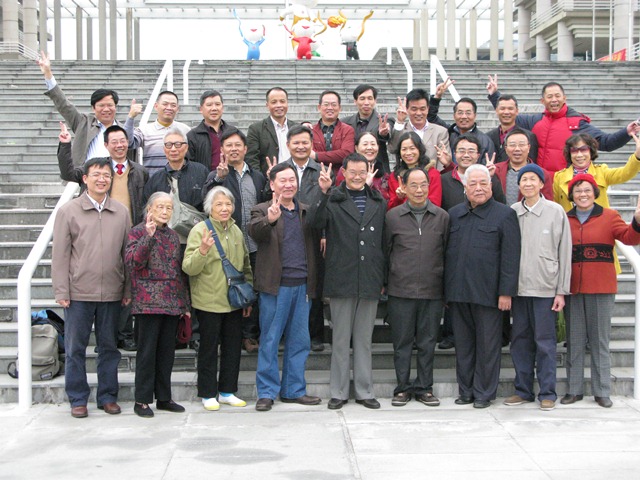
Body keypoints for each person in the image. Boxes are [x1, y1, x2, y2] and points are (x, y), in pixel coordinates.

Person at [58, 123, 148, 352]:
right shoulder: (97, 168)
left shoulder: (140, 171)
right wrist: (65, 145)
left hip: (129, 228)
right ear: (106, 145)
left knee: (124, 281)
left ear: (129, 143)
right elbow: (69, 173)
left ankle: (124, 334)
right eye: (114, 141)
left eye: (123, 141)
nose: (119, 145)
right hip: (98, 225)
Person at [52, 157, 131, 418]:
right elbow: (60, 255)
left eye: (106, 175)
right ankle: (77, 398)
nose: (102, 179)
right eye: (96, 174)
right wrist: (61, 290)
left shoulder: (121, 212)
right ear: (85, 179)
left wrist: (127, 289)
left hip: (112, 291)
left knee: (109, 348)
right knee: (75, 348)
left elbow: (126, 254)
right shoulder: (68, 211)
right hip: (78, 293)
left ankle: (108, 396)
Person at [307, 154, 386, 410]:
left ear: (368, 172)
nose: (357, 177)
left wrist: (382, 276)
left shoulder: (378, 200)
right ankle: (339, 392)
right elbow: (314, 222)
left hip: (369, 277)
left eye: (362, 172)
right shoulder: (333, 198)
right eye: (352, 172)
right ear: (344, 173)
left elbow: (383, 242)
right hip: (342, 277)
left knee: (364, 340)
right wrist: (322, 192)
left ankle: (364, 391)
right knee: (340, 339)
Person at [445, 164, 520, 408]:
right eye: (473, 184)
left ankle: (484, 393)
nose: (478, 188)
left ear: (491, 185)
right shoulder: (454, 214)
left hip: (489, 295)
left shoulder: (504, 214)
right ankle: (466, 391)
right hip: (459, 293)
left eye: (483, 183)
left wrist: (506, 292)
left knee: (488, 347)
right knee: (463, 345)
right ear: (464, 187)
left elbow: (510, 257)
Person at [561, 173, 640, 409]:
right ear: (571, 195)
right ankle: (574, 389)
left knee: (599, 341)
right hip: (573, 288)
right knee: (574, 341)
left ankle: (602, 390)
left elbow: (629, 237)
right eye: (577, 191)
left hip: (601, 287)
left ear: (595, 193)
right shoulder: (565, 218)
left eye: (587, 190)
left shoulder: (610, 216)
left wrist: (637, 221)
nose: (582, 194)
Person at [249, 162, 322, 412]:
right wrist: (269, 220)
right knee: (270, 340)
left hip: (303, 286)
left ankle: (294, 389)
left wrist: (324, 192)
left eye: (292, 180)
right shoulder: (261, 210)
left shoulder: (306, 211)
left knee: (299, 341)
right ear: (272, 184)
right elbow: (255, 232)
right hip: (274, 287)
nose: (288, 184)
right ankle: (267, 392)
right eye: (283, 180)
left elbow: (323, 223)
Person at [504, 164, 571, 411]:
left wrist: (561, 290)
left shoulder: (555, 211)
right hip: (519, 290)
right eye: (524, 180)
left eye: (533, 179)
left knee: (545, 343)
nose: (528, 184)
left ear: (542, 184)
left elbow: (564, 252)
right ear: (519, 185)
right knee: (520, 342)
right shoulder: (512, 212)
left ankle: (547, 392)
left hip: (545, 289)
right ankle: (523, 390)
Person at [182, 186, 253, 411]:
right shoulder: (200, 230)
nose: (224, 208)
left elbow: (245, 266)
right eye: (219, 204)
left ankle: (227, 391)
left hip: (234, 301)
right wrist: (203, 250)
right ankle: (207, 393)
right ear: (209, 208)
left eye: (228, 204)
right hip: (208, 301)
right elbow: (188, 267)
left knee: (233, 348)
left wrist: (248, 296)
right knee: (209, 349)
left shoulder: (236, 231)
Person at [385, 167, 449, 407]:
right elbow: (385, 250)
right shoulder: (393, 217)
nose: (419, 190)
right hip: (400, 289)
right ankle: (402, 387)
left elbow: (446, 251)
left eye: (423, 185)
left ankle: (424, 387)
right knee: (401, 343)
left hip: (432, 290)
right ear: (404, 187)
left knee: (427, 342)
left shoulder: (442, 217)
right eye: (413, 185)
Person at [202, 128, 268, 353]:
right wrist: (218, 179)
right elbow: (205, 202)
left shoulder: (257, 176)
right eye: (228, 145)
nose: (233, 149)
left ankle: (249, 335)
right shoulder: (216, 174)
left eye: (237, 145)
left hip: (255, 243)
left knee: (253, 289)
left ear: (245, 149)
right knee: (227, 287)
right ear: (222, 150)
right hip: (226, 244)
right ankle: (227, 335)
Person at [126, 192, 190, 417]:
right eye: (160, 207)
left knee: (166, 354)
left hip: (171, 302)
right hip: (147, 303)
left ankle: (164, 397)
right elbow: (134, 262)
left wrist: (184, 305)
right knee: (146, 354)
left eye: (168, 208)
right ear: (150, 209)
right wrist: (148, 236)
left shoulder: (173, 236)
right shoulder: (137, 231)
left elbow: (178, 271)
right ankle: (142, 400)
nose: (164, 211)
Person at [487, 77, 640, 172]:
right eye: (549, 97)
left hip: (564, 184)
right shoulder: (534, 121)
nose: (554, 100)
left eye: (557, 96)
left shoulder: (576, 123)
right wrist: (495, 96)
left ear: (564, 98)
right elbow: (508, 114)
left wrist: (626, 132)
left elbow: (606, 142)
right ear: (543, 101)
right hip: (538, 183)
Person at [38, 51, 136, 166]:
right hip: (86, 175)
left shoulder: (123, 130)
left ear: (115, 107)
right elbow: (64, 104)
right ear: (93, 108)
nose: (106, 109)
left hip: (115, 175)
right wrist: (48, 73)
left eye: (110, 105)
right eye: (101, 106)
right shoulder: (83, 123)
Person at [283, 125, 329, 352]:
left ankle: (315, 334)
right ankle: (287, 334)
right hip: (286, 233)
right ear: (288, 145)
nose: (301, 146)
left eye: (305, 143)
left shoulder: (321, 170)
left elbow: (328, 204)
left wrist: (324, 234)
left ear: (312, 145)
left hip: (314, 234)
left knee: (314, 284)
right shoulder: (282, 170)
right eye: (296, 142)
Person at [143, 128, 209, 234]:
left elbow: (209, 205)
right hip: (163, 237)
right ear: (164, 149)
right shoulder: (156, 179)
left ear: (186, 147)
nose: (173, 149)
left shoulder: (201, 172)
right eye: (169, 145)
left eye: (178, 144)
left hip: (195, 235)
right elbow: (147, 209)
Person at [553, 133, 640, 211]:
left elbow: (625, 173)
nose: (579, 155)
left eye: (583, 149)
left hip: (599, 222)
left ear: (591, 151)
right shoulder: (559, 177)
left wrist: (637, 156)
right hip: (570, 222)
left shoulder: (601, 171)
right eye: (574, 151)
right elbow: (555, 206)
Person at [127, 90, 192, 176]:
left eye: (173, 105)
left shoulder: (185, 130)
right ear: (156, 106)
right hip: (153, 180)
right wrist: (131, 117)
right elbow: (128, 143)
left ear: (177, 109)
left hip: (180, 179)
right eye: (165, 104)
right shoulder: (144, 130)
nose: (169, 108)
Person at [427, 86, 496, 165]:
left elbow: (486, 167)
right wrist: (436, 98)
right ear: (454, 116)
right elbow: (431, 118)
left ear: (475, 115)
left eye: (468, 113)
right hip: (450, 172)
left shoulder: (485, 141)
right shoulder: (447, 133)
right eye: (460, 113)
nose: (464, 116)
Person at [388, 88, 449, 169]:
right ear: (407, 109)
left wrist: (436, 176)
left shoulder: (440, 132)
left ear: (428, 109)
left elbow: (443, 162)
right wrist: (399, 122)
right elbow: (392, 149)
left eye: (422, 109)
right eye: (414, 109)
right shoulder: (401, 130)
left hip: (433, 176)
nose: (419, 113)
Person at [493, 128, 554, 206]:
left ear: (528, 147)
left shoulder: (542, 174)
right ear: (506, 149)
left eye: (521, 145)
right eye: (512, 145)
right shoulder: (495, 170)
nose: (517, 149)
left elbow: (547, 203)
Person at [342, 84, 395, 173]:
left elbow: (386, 133)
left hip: (379, 172)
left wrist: (383, 133)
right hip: (353, 172)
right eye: (362, 98)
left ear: (375, 101)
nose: (366, 102)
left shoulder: (385, 121)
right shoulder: (344, 122)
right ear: (355, 101)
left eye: (370, 98)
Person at [246, 87, 297, 173]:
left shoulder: (296, 128)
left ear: (287, 103)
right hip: (268, 179)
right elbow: (251, 159)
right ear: (267, 105)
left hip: (295, 178)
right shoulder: (256, 129)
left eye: (282, 101)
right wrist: (262, 178)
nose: (279, 105)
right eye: (274, 102)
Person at [387, 131, 442, 209]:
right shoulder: (394, 177)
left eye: (412, 148)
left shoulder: (432, 173)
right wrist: (399, 198)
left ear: (420, 150)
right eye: (404, 149)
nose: (408, 153)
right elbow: (391, 209)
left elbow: (435, 204)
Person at [187, 90, 235, 172]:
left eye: (217, 104)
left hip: (231, 178)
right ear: (201, 109)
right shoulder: (192, 136)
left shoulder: (233, 133)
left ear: (222, 108)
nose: (214, 108)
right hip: (204, 179)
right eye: (209, 105)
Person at [335, 131, 390, 202]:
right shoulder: (346, 169)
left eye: (373, 144)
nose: (369, 147)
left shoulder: (383, 171)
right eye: (365, 144)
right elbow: (340, 195)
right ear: (356, 148)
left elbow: (386, 199)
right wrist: (364, 185)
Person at [486, 94, 539, 164]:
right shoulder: (488, 137)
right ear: (496, 111)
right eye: (502, 109)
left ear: (517, 111)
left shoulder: (528, 136)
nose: (506, 112)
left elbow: (531, 162)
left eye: (510, 109)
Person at [311, 90, 355, 174]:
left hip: (341, 175)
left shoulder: (347, 130)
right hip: (316, 175)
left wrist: (316, 155)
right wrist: (336, 155)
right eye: (326, 104)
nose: (330, 108)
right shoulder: (311, 131)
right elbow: (308, 154)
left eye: (334, 105)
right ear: (319, 107)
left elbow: (346, 154)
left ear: (340, 108)